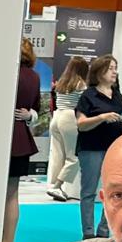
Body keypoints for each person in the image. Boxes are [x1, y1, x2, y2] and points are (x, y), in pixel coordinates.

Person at [75, 55, 122, 240]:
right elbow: (81, 123)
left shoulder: (117, 95)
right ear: (99, 71)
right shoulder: (88, 95)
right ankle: (87, 233)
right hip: (92, 148)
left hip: (115, 149)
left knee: (112, 191)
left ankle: (103, 230)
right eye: (111, 68)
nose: (115, 72)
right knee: (89, 191)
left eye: (115, 68)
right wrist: (102, 117)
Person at [3, 39, 47, 242]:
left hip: (1, 139)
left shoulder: (5, 72)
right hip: (21, 140)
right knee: (12, 195)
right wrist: (28, 116)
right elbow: (35, 109)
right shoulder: (34, 77)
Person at [46, 56, 89, 202]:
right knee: (73, 157)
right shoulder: (81, 84)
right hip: (70, 117)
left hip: (57, 117)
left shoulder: (62, 83)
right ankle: (58, 186)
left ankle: (53, 185)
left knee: (58, 155)